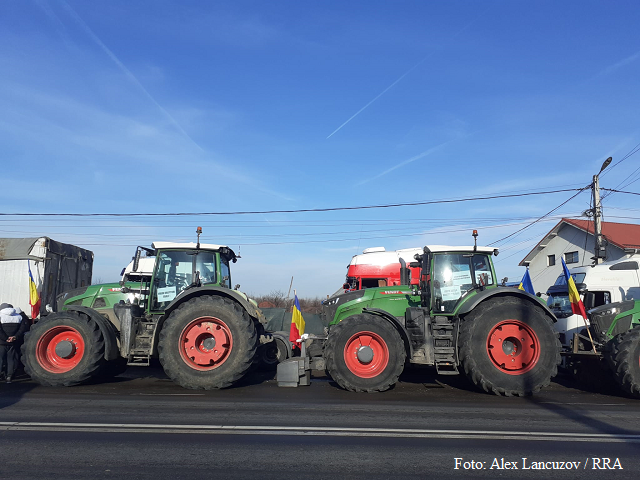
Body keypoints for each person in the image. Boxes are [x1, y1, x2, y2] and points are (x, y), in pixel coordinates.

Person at [0, 303, 30, 383]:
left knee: (1, 359)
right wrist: (15, 337)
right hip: (13, 342)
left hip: (2, 342)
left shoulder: (0, 315)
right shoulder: (19, 316)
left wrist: (6, 338)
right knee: (11, 359)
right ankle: (9, 377)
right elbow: (22, 328)